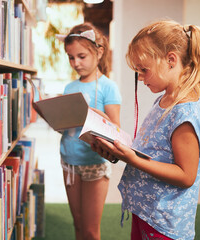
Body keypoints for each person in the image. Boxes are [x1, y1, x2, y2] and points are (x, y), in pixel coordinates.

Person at [91, 20, 200, 240]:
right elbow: (153, 149)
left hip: (165, 222)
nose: (140, 78)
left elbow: (186, 175)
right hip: (147, 210)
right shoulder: (164, 100)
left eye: (144, 70)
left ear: (171, 60)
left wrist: (133, 160)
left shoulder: (184, 111)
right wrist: (110, 134)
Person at [59, 22, 122, 240]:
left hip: (95, 164)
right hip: (69, 161)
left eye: (82, 56)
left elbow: (116, 130)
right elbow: (66, 127)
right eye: (70, 57)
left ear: (99, 51)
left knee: (90, 230)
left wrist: (97, 118)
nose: (75, 63)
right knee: (78, 225)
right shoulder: (69, 88)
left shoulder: (108, 87)